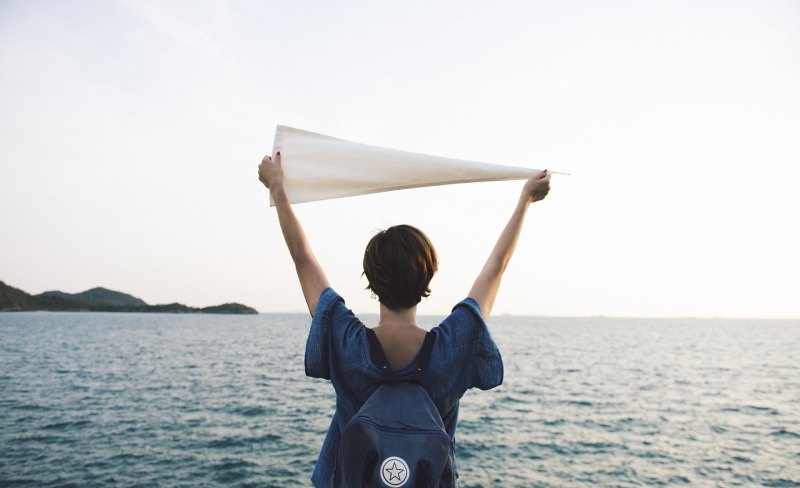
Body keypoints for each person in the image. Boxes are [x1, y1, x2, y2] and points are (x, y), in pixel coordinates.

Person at [259, 151, 551, 487]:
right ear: (428, 276)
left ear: (370, 278)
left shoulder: (347, 343)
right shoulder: (453, 346)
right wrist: (525, 201)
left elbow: (302, 259)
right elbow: (495, 267)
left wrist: (278, 188)